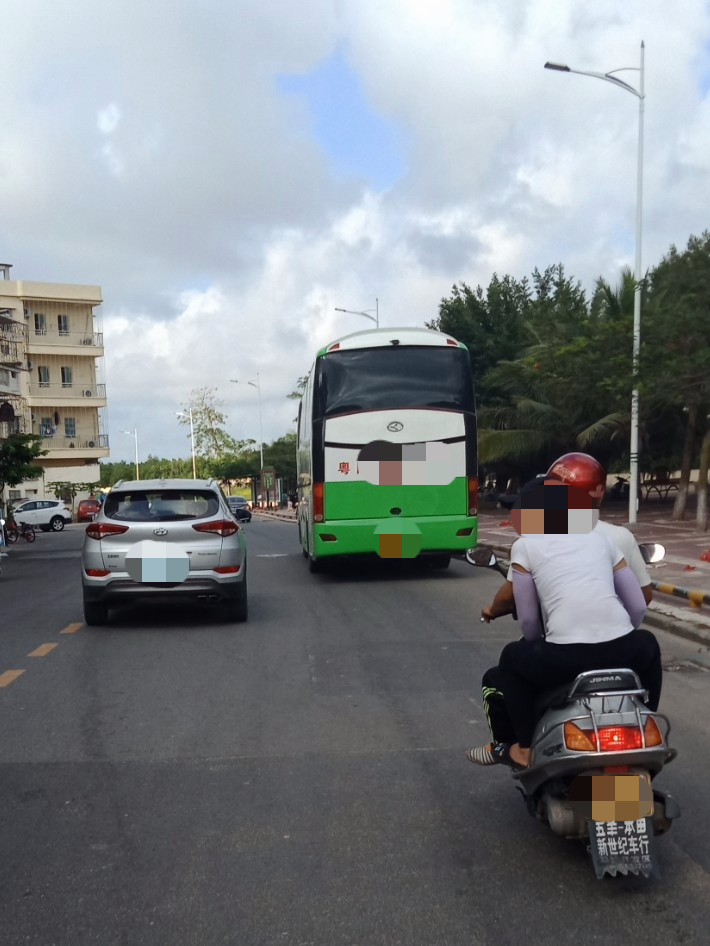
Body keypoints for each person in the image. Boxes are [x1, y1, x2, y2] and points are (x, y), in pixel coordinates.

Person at [468, 474, 662, 770]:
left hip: (566, 658)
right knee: (648, 643)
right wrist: (617, 637)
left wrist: (540, 645)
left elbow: (529, 621)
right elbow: (637, 605)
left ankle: (523, 749)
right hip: (625, 650)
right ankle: (645, 724)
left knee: (511, 657)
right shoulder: (601, 539)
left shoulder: (526, 546)